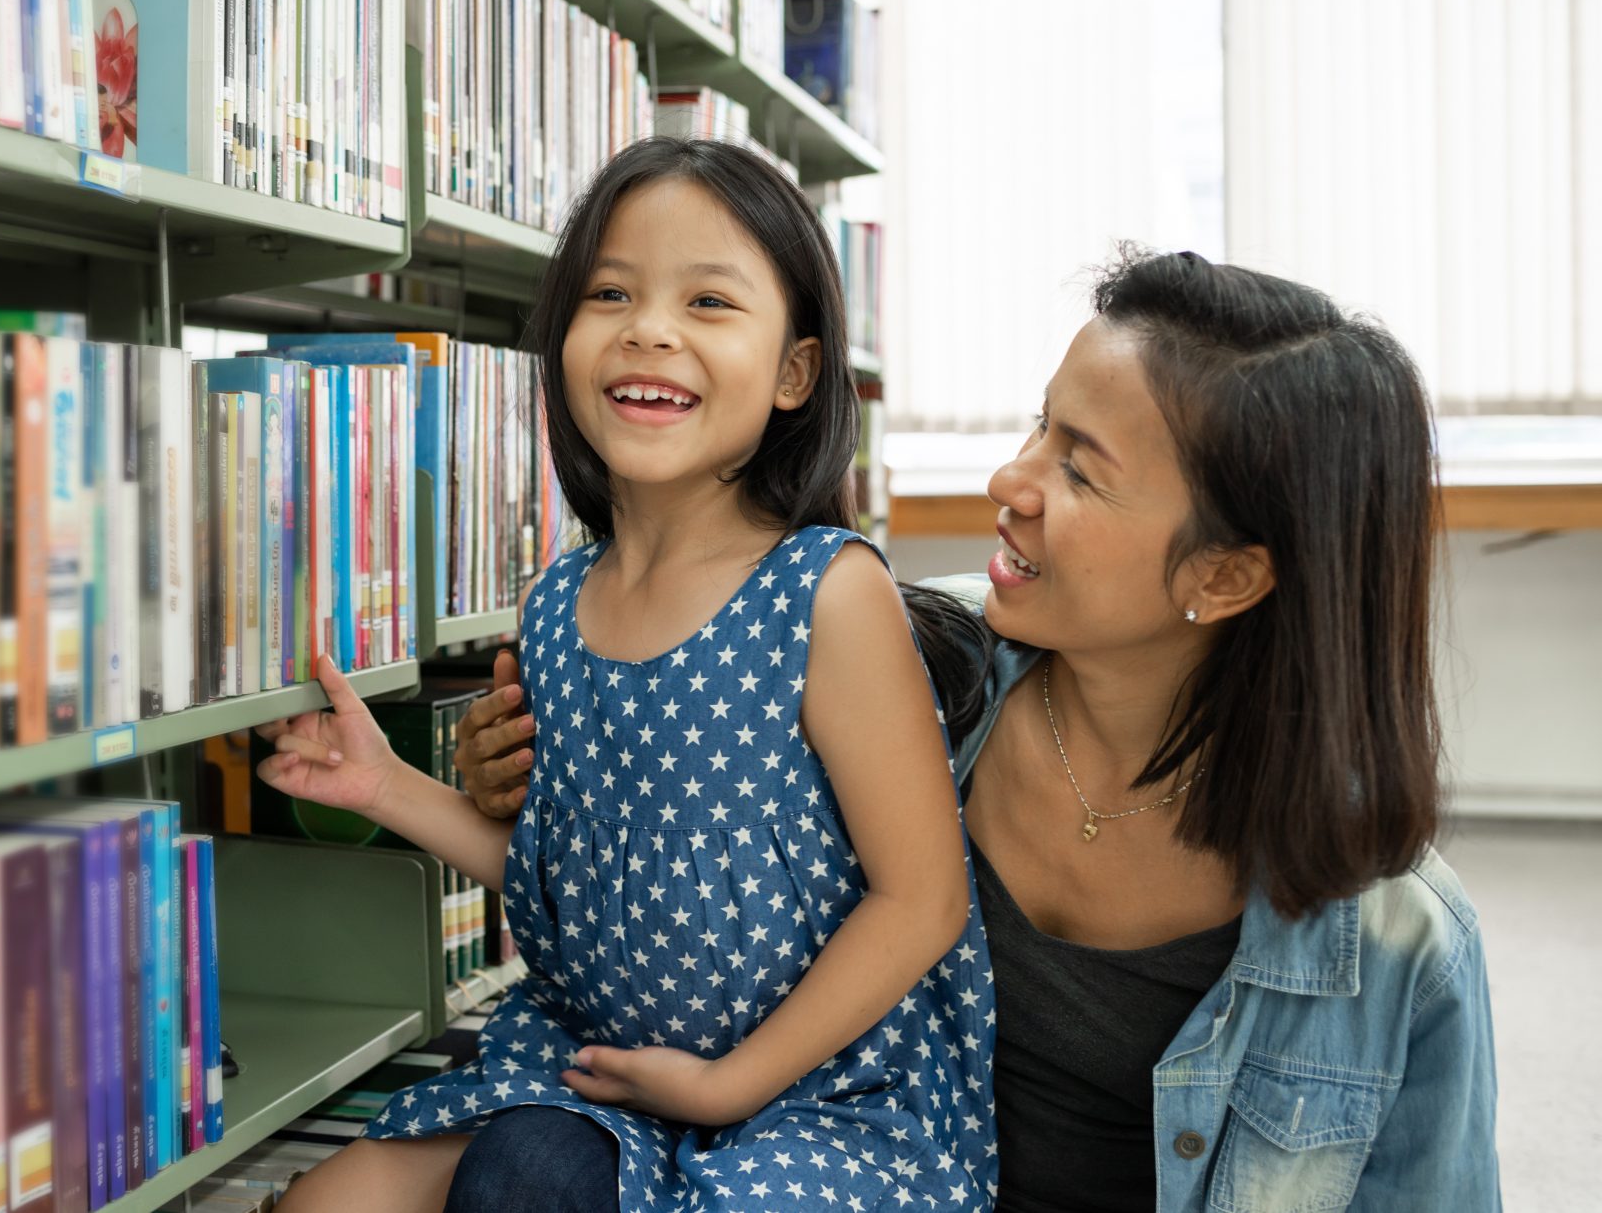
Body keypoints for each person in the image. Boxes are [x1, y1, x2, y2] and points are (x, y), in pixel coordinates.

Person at [452, 248, 1502, 1212]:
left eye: (1078, 469)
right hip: (793, 1177)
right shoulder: (882, 662)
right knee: (525, 1162)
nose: (1010, 482)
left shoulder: (1394, 943)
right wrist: (528, 775)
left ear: (1223, 574)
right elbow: (655, 869)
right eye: (1036, 427)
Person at [252, 137, 1003, 1212]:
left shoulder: (825, 592)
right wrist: (387, 789)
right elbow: (576, 870)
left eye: (708, 301)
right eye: (610, 292)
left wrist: (727, 1081)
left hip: (817, 1089)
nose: (649, 326)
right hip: (596, 1061)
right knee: (323, 1200)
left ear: (793, 371)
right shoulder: (555, 602)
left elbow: (921, 898)